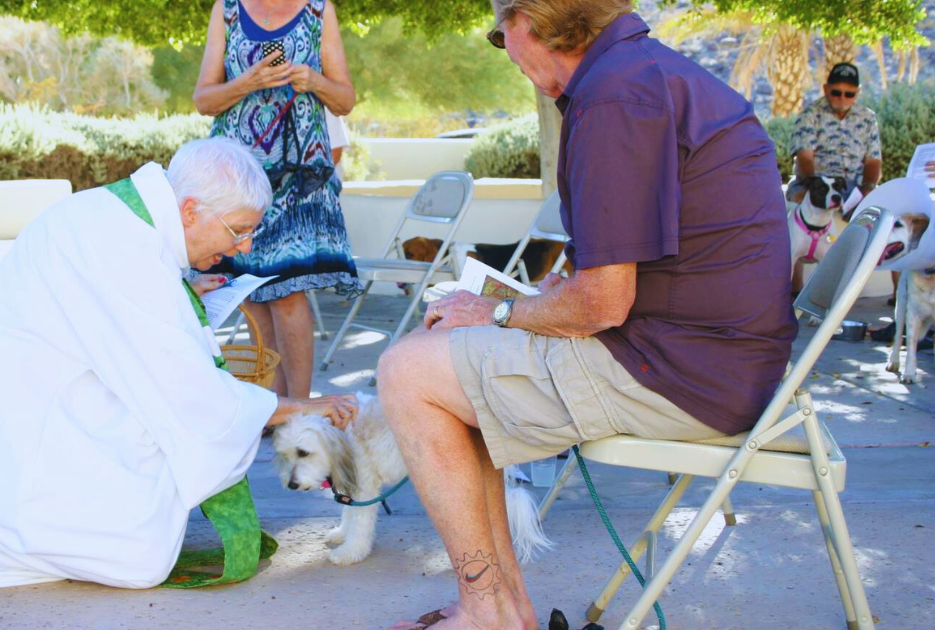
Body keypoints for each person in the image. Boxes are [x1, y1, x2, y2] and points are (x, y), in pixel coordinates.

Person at [375, 2, 797, 629]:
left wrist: (500, 310)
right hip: (720, 364)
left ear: (531, 20)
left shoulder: (613, 95)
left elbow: (603, 304)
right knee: (448, 365)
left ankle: (490, 612)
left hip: (679, 374)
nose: (504, 48)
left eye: (498, 33)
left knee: (408, 372)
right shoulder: (643, 73)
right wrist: (539, 299)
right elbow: (632, 266)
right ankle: (501, 608)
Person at [0, 138, 357, 592]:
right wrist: (296, 407)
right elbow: (188, 391)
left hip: (10, 408)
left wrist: (183, 291)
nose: (243, 247)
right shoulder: (123, 248)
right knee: (138, 555)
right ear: (188, 210)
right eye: (239, 231)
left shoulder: (111, 217)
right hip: (19, 437)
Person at [194, 0, 361, 400]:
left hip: (299, 176)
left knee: (286, 290)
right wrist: (247, 82)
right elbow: (204, 100)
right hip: (237, 179)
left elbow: (345, 100)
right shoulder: (227, 10)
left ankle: (300, 410)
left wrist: (314, 81)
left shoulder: (320, 10)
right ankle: (272, 403)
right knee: (253, 291)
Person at [788, 62, 883, 201]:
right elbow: (805, 158)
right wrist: (816, 189)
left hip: (855, 186)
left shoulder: (867, 118)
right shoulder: (810, 115)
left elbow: (873, 161)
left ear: (857, 93)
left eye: (849, 94)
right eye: (836, 92)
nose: (842, 97)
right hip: (818, 184)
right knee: (801, 199)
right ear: (826, 89)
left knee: (883, 204)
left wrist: (868, 187)